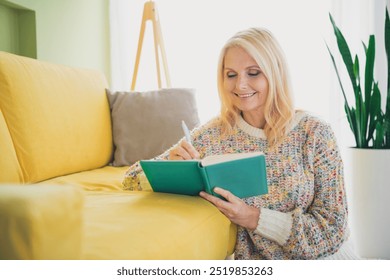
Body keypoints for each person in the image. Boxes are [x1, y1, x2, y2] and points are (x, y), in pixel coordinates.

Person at [123, 27, 358, 260]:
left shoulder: (314, 132)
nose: (240, 85)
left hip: (326, 260)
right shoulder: (214, 133)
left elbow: (333, 228)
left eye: (253, 73)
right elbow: (131, 178)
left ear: (275, 74)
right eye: (231, 75)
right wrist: (173, 168)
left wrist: (253, 218)